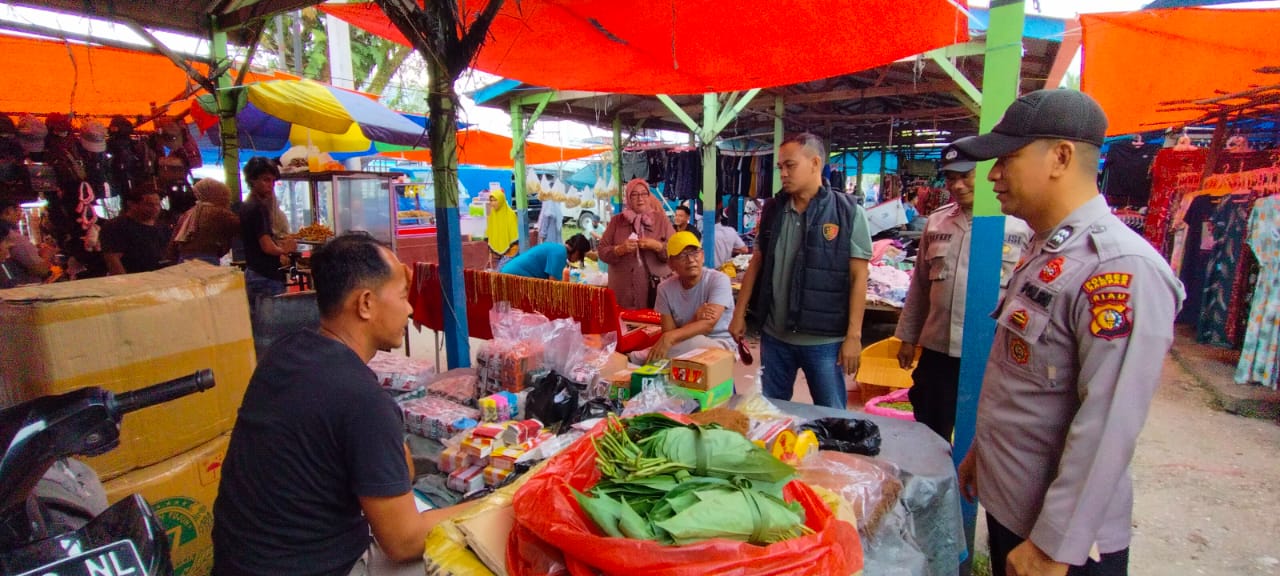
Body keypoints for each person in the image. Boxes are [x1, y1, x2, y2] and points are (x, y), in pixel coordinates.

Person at [952, 89, 1184, 576]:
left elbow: (1109, 422)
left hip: (1059, 541)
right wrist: (984, 453)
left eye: (1007, 159)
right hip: (1017, 507)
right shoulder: (1050, 252)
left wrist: (1054, 546)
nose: (992, 174)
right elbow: (1028, 383)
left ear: (1060, 157)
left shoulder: (1119, 269)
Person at [213, 233, 475, 576]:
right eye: (402, 296)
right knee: (452, 553)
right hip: (314, 568)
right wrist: (489, 505)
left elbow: (400, 467)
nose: (410, 309)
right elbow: (404, 542)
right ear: (365, 303)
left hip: (235, 563)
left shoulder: (283, 354)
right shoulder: (362, 399)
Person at [895, 143, 1034, 441]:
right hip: (939, 349)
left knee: (985, 431)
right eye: (950, 178)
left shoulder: (1019, 224)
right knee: (930, 427)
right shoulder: (937, 222)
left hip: (991, 351)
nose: (957, 185)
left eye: (966, 175)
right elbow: (919, 286)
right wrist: (907, 338)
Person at [729, 133, 873, 410]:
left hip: (824, 341)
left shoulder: (849, 212)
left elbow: (858, 278)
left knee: (831, 415)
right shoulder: (773, 209)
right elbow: (757, 262)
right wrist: (739, 314)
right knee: (771, 413)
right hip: (774, 337)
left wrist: (854, 336)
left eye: (790, 165)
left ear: (815, 163)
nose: (782, 173)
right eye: (780, 167)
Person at [634, 231, 736, 363]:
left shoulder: (718, 280)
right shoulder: (665, 289)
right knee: (672, 348)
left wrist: (670, 337)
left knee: (691, 344)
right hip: (683, 344)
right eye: (682, 255)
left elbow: (708, 325)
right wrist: (694, 319)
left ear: (703, 256)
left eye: (694, 253)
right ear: (671, 264)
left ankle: (637, 359)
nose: (691, 260)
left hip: (720, 344)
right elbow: (669, 333)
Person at [598, 179, 676, 309]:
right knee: (625, 325)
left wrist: (657, 246)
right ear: (628, 197)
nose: (640, 198)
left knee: (653, 326)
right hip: (623, 292)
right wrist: (619, 250)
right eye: (634, 195)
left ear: (649, 196)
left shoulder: (661, 220)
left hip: (654, 290)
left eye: (644, 194)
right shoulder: (617, 221)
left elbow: (676, 251)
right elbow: (602, 251)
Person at [239, 157, 296, 307]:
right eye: (265, 180)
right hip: (265, 276)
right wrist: (284, 249)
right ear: (252, 180)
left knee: (258, 324)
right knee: (273, 325)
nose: (270, 186)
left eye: (272, 181)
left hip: (253, 272)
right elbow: (266, 246)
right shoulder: (258, 208)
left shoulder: (246, 205)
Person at [101, 188, 172, 275]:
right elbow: (113, 259)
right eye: (149, 205)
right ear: (132, 204)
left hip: (163, 277)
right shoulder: (116, 226)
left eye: (158, 204)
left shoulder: (163, 226)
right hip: (135, 279)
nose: (156, 208)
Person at [171, 178, 240, 266]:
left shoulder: (188, 214)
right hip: (206, 262)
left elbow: (173, 245)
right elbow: (245, 230)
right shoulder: (219, 212)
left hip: (183, 262)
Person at [0, 198, 52, 284]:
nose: (20, 215)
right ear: (8, 211)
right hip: (25, 291)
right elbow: (40, 270)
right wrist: (47, 255)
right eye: (17, 210)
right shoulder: (13, 237)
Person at [501, 233, 591, 280]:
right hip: (512, 275)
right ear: (577, 251)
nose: (578, 260)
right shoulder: (560, 253)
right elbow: (553, 285)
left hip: (509, 272)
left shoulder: (558, 249)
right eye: (580, 256)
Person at [486, 190, 519, 268]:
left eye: (495, 200)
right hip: (497, 254)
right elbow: (491, 233)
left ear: (501, 200)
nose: (493, 203)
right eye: (491, 201)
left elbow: (514, 236)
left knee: (500, 273)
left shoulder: (510, 214)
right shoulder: (492, 215)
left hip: (511, 251)